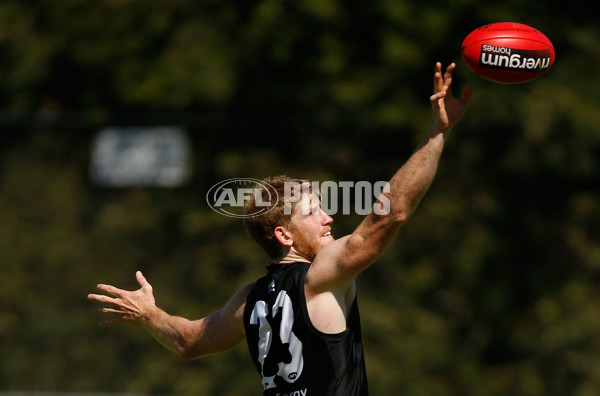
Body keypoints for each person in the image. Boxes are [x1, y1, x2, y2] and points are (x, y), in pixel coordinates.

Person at [88, 62, 472, 395]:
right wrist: (437, 134)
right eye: (313, 211)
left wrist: (150, 315)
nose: (329, 219)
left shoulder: (248, 301)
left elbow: (189, 341)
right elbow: (391, 215)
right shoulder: (320, 276)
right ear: (284, 236)